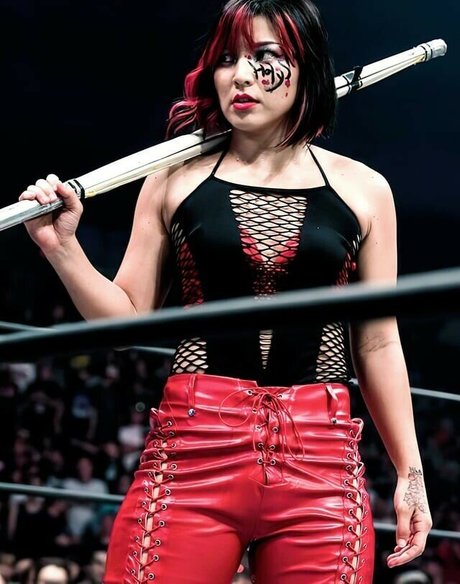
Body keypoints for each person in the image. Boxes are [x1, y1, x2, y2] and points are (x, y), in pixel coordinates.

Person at [19, 0, 432, 582]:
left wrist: (411, 474)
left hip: (321, 459)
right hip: (193, 447)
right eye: (227, 59)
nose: (240, 75)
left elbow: (378, 343)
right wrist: (62, 247)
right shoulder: (171, 180)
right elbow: (124, 320)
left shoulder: (365, 190)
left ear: (307, 68)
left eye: (265, 57)